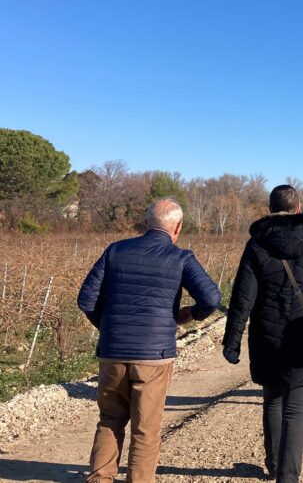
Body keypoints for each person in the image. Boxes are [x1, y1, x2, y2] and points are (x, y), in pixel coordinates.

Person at [77, 198, 220, 483]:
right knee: (146, 428)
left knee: (110, 420)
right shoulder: (181, 258)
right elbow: (212, 298)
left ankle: (100, 478)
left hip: (112, 353)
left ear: (146, 223)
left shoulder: (115, 250)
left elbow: (86, 299)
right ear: (178, 227)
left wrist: (107, 327)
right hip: (154, 356)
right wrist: (188, 314)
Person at [222, 185, 303, 483]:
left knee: (273, 399)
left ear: (269, 208)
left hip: (268, 333)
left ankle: (275, 464)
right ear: (299, 208)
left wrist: (233, 341)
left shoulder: (258, 243)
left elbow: (243, 296)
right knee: (297, 410)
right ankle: (287, 477)